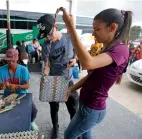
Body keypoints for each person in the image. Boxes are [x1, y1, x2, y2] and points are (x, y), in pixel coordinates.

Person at [56, 7, 132, 139]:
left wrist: (70, 26)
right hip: (87, 105)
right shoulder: (108, 48)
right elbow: (91, 76)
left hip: (92, 109)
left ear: (112, 27)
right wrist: (71, 89)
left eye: (97, 29)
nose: (93, 33)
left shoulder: (121, 50)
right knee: (85, 135)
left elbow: (87, 63)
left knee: (69, 135)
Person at [37, 14, 79, 139]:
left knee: (73, 109)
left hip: (69, 80)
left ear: (56, 26)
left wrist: (75, 59)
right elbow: (47, 64)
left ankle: (74, 129)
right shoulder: (46, 45)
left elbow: (78, 51)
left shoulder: (70, 37)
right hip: (54, 81)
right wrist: (45, 74)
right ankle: (55, 127)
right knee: (53, 107)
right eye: (46, 36)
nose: (49, 38)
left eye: (50, 34)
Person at [0, 48, 38, 130]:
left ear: (17, 59)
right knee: (6, 113)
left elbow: (27, 85)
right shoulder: (1, 70)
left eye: (12, 61)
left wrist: (16, 86)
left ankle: (31, 121)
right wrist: (0, 86)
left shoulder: (23, 70)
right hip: (7, 96)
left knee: (34, 110)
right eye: (8, 61)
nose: (10, 63)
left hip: (22, 95)